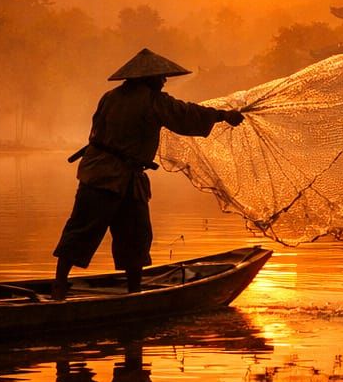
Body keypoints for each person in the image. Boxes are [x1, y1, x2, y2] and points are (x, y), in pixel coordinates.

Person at [52, 48, 243, 300]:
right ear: (146, 78)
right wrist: (223, 115)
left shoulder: (109, 97)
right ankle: (133, 292)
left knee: (95, 231)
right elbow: (185, 114)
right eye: (161, 77)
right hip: (111, 177)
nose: (164, 81)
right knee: (122, 235)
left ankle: (63, 286)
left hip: (106, 176)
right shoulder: (154, 101)